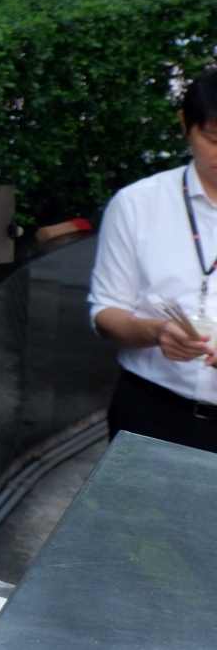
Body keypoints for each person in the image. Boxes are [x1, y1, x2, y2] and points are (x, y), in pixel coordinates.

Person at [89, 68, 217, 452]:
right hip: (152, 411)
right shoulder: (138, 204)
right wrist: (157, 332)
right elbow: (105, 312)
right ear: (185, 125)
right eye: (213, 140)